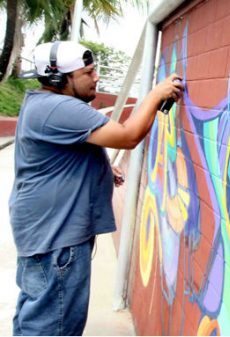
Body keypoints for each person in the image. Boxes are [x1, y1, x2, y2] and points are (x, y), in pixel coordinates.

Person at [9, 40, 183, 336]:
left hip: (43, 233)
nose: (96, 77)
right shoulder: (59, 108)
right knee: (54, 325)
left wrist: (101, 169)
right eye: (88, 72)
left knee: (36, 315)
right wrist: (156, 94)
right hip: (57, 239)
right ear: (58, 78)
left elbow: (67, 152)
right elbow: (128, 136)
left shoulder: (41, 104)